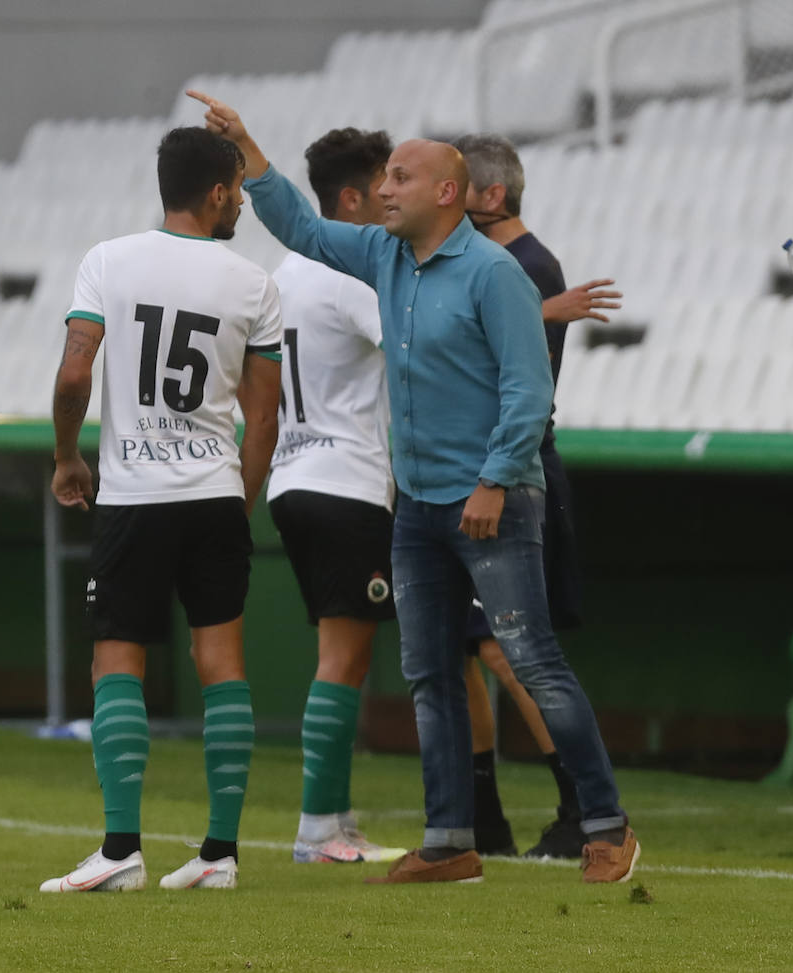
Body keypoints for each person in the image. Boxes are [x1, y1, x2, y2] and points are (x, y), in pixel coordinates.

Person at [188, 88, 638, 885]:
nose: (384, 189)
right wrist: (250, 151)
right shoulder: (385, 257)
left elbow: (528, 392)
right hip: (418, 506)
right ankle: (450, 841)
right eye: (384, 177)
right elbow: (300, 225)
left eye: (399, 177)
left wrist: (496, 480)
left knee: (532, 659)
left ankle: (607, 825)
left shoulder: (494, 275)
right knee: (430, 673)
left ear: (446, 194)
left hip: (493, 500)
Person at [41, 126, 284, 892]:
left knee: (117, 656)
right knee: (223, 667)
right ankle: (220, 854)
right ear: (216, 192)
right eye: (239, 188)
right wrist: (238, 503)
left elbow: (75, 374)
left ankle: (120, 851)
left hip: (135, 493)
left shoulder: (108, 260)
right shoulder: (255, 284)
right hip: (213, 493)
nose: (241, 199)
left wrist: (67, 455)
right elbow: (266, 419)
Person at [453, 133, 621, 860]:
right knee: (462, 646)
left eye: (454, 187)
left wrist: (545, 311)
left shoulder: (523, 266)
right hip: (472, 468)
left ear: (491, 196)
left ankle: (580, 806)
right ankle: (482, 810)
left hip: (512, 471)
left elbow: (510, 374)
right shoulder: (503, 266)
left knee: (508, 646)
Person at [266, 126, 405, 865]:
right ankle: (319, 829)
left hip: (291, 477)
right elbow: (411, 346)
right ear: (351, 197)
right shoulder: (351, 275)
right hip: (344, 479)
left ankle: (336, 819)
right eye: (384, 185)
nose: (392, 198)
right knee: (343, 657)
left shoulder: (283, 274)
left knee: (339, 651)